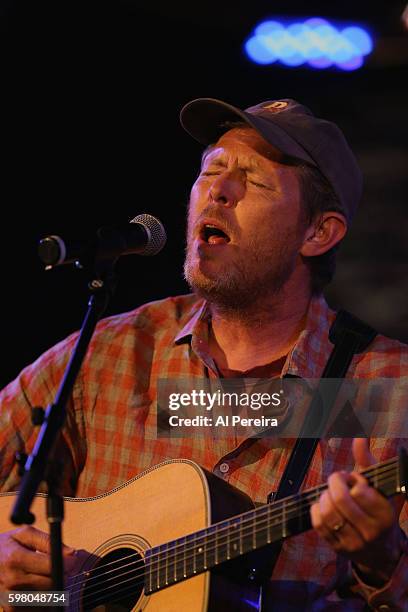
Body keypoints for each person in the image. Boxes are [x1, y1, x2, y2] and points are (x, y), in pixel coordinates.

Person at [0, 97, 407, 611]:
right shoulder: (114, 351)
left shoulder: (386, 389)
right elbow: (52, 595)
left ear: (318, 232)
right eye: (211, 170)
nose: (218, 189)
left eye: (254, 181)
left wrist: (384, 560)